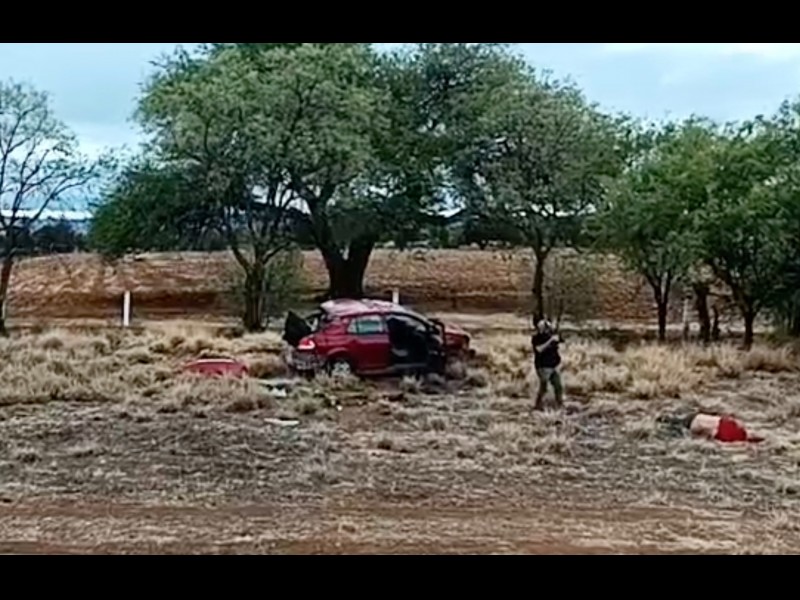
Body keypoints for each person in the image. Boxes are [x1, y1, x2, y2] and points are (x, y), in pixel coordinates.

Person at [531, 318, 564, 410]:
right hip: (543, 367)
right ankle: (538, 404)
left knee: (558, 386)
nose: (548, 330)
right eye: (547, 328)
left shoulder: (550, 337)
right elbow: (539, 349)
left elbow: (560, 342)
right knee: (544, 387)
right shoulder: (536, 338)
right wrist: (550, 340)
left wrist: (558, 338)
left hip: (553, 366)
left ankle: (559, 404)